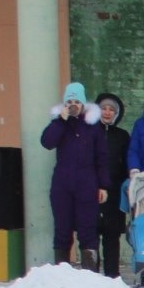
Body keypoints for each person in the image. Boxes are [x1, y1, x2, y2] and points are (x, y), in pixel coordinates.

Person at [39, 81, 107, 270]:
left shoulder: (93, 127)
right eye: (69, 102)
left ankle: (90, 272)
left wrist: (103, 185)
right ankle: (62, 271)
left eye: (77, 101)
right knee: (62, 229)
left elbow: (101, 157)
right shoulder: (59, 124)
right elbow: (47, 142)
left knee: (87, 229)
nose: (73, 105)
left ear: (83, 103)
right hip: (62, 183)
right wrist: (60, 120)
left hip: (87, 183)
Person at [95, 91, 131, 280]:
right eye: (104, 108)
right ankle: (90, 277)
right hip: (91, 192)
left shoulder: (122, 136)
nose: (107, 113)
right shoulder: (89, 133)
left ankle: (112, 277)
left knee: (112, 237)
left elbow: (127, 164)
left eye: (111, 110)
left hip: (115, 193)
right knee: (90, 236)